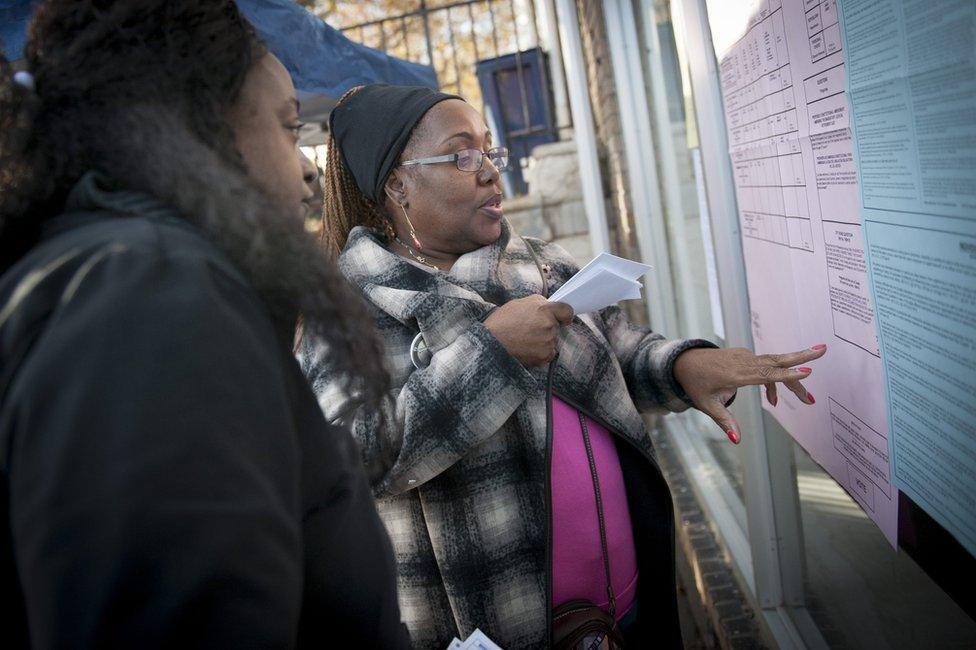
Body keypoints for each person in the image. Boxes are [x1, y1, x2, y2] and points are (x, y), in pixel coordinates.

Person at [302, 83, 827, 649]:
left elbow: (618, 346)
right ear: (397, 184)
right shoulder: (343, 314)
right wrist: (491, 356)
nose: (489, 172)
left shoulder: (541, 261)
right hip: (502, 629)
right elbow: (352, 460)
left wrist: (683, 366)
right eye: (461, 155)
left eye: (489, 150)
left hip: (625, 608)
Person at [0, 2, 408, 647]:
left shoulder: (115, 273)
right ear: (198, 129)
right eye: (285, 126)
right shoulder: (152, 294)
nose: (307, 169)